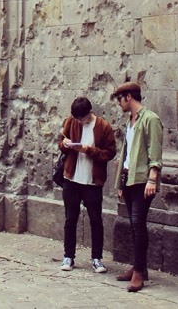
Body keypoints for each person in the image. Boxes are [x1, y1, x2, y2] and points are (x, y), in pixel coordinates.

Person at [112, 81, 163, 293]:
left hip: (143, 180)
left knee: (138, 222)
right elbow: (127, 154)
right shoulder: (130, 121)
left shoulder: (150, 119)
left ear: (129, 97)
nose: (119, 103)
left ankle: (139, 273)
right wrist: (120, 182)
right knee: (134, 225)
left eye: (120, 99)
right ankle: (138, 266)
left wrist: (152, 178)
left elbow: (155, 151)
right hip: (129, 178)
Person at [58, 96, 116, 274]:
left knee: (96, 220)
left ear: (89, 113)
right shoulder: (71, 122)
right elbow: (61, 144)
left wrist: (88, 150)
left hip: (92, 182)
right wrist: (66, 144)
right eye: (76, 119)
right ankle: (68, 256)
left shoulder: (103, 127)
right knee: (70, 219)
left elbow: (110, 153)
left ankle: (97, 258)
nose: (79, 122)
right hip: (71, 179)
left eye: (81, 119)